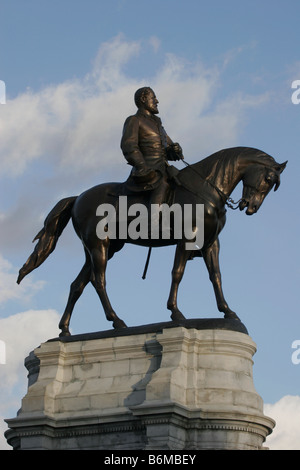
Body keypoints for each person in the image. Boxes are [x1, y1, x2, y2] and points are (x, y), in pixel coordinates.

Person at [120, 87, 184, 206]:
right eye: (153, 98)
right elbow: (128, 145)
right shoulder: (134, 120)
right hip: (148, 171)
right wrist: (142, 166)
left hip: (164, 170)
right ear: (144, 99)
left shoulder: (158, 125)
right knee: (162, 185)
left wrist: (175, 150)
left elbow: (168, 149)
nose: (157, 101)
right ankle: (152, 221)